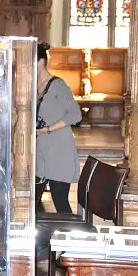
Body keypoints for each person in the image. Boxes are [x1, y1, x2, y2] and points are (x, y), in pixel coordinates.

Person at [35, 42, 82, 214]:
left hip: (59, 150)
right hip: (41, 152)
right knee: (34, 202)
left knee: (60, 202)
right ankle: (43, 239)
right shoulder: (34, 87)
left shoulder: (58, 85)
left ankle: (70, 238)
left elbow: (76, 115)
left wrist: (48, 129)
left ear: (40, 62)